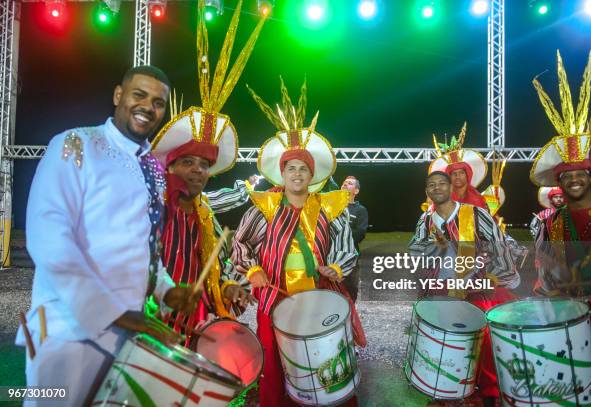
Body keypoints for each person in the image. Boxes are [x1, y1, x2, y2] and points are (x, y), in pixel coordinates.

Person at [16, 65, 201, 406]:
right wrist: (112, 312)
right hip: (67, 331)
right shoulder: (76, 144)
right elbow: (48, 239)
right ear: (119, 95)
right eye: (139, 95)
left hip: (127, 332)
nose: (148, 106)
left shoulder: (154, 169)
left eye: (158, 102)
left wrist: (168, 291)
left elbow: (147, 247)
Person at [232, 78, 361, 406]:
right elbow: (241, 244)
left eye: (304, 168)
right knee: (274, 363)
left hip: (319, 294)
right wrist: (253, 270)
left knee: (322, 363)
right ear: (283, 172)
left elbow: (346, 247)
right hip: (274, 295)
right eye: (291, 168)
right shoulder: (265, 207)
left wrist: (335, 268)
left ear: (311, 174)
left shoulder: (330, 207)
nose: (297, 174)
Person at [149, 0, 263, 345]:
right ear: (170, 165)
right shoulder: (150, 206)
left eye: (204, 165)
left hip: (194, 323)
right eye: (189, 162)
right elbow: (130, 265)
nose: (198, 171)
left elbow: (221, 263)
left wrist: (229, 287)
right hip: (149, 323)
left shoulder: (205, 214)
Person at [531, 49, 591, 404]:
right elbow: (547, 270)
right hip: (570, 318)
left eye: (582, 174)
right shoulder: (552, 223)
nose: (576, 180)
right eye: (568, 176)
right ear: (559, 183)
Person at [408, 171, 519, 406]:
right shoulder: (426, 221)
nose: (436, 188)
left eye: (441, 183)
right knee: (446, 348)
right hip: (440, 292)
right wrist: (432, 248)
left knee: (481, 346)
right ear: (427, 192)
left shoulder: (475, 214)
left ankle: (487, 395)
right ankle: (448, 393)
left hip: (474, 291)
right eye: (431, 185)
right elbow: (414, 253)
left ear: (450, 188)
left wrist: (495, 276)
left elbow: (500, 248)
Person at [430, 122, 488, 210]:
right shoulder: (441, 199)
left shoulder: (478, 199)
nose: (457, 176)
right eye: (454, 173)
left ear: (467, 175)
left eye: (461, 173)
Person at [341, 175, 368, 301]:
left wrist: (341, 235)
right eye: (344, 183)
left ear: (356, 191)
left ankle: (351, 315)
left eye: (350, 183)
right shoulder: (331, 207)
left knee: (351, 287)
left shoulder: (360, 210)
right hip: (330, 256)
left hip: (351, 255)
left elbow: (360, 233)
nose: (345, 184)